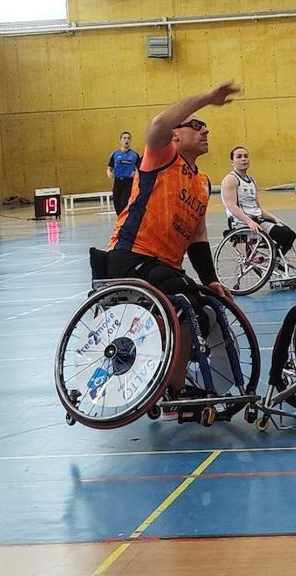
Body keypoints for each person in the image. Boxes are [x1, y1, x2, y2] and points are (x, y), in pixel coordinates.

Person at [106, 84, 237, 387]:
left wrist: (210, 278)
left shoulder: (202, 183)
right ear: (176, 135)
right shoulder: (162, 157)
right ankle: (173, 390)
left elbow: (198, 236)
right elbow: (157, 125)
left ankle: (176, 375)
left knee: (204, 306)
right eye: (197, 126)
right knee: (186, 306)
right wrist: (206, 98)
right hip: (132, 257)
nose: (205, 132)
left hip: (165, 268)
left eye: (206, 128)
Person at [221, 146, 296, 256]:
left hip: (258, 220)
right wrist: (249, 222)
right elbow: (231, 206)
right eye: (239, 157)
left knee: (288, 233)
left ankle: (273, 258)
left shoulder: (252, 180)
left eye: (246, 156)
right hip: (241, 223)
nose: (243, 159)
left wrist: (275, 219)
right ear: (232, 162)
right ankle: (266, 256)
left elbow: (258, 208)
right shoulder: (230, 179)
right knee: (284, 234)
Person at [106, 131, 140, 214]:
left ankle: (124, 223)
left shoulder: (135, 155)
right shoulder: (115, 154)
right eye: (124, 138)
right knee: (116, 203)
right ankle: (120, 221)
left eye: (128, 138)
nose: (126, 140)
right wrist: (109, 173)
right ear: (120, 140)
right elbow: (109, 168)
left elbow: (140, 169)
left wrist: (135, 174)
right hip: (117, 181)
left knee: (124, 203)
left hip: (128, 182)